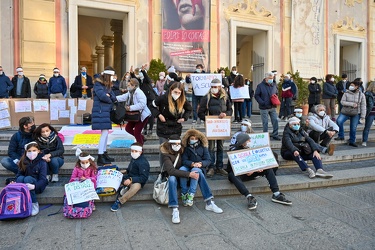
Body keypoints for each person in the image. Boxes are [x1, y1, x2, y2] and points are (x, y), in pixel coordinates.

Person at [160, 136, 222, 224]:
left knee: (198, 173)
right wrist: (189, 174)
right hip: (175, 178)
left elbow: (192, 161)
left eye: (178, 144)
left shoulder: (182, 150)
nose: (177, 145)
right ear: (170, 144)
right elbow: (171, 171)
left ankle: (209, 202)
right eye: (174, 144)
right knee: (172, 179)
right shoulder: (166, 155)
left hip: (185, 177)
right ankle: (175, 209)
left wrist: (197, 165)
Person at [227, 133, 292, 210]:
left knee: (268, 169)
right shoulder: (234, 152)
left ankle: (276, 193)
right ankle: (249, 196)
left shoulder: (253, 149)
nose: (250, 141)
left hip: (252, 172)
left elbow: (259, 160)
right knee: (231, 175)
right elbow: (230, 169)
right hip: (241, 175)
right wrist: (245, 171)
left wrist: (260, 167)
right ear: (243, 142)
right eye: (248, 140)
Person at [180, 129, 223, 213]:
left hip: (199, 167)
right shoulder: (186, 148)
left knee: (196, 171)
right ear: (188, 139)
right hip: (188, 166)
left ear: (199, 139)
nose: (194, 140)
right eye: (192, 138)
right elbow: (184, 160)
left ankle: (191, 195)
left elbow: (208, 160)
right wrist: (192, 163)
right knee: (182, 170)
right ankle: (184, 193)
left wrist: (201, 164)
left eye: (196, 138)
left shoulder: (203, 147)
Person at [198, 78, 232, 177]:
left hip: (222, 127)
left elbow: (230, 110)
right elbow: (200, 112)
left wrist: (225, 114)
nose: (214, 89)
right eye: (212, 87)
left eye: (215, 87)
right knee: (211, 148)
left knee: (221, 147)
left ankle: (220, 167)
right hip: (212, 128)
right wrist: (208, 119)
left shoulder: (225, 97)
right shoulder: (206, 98)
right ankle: (211, 167)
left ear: (220, 87)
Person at [110, 143, 149, 212]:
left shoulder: (143, 163)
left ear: (141, 152)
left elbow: (144, 178)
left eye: (136, 151)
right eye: (132, 151)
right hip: (128, 177)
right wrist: (121, 172)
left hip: (137, 181)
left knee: (136, 187)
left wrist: (131, 180)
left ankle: (120, 201)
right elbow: (129, 170)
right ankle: (123, 188)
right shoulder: (134, 159)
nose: (133, 153)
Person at [92, 66, 118, 165]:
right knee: (104, 134)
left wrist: (109, 96)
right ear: (108, 76)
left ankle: (104, 153)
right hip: (100, 111)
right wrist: (109, 98)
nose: (114, 77)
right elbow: (103, 97)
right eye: (112, 76)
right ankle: (100, 156)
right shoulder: (98, 84)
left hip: (105, 111)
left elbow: (113, 96)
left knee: (106, 133)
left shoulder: (107, 86)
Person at [15, 142, 48, 216]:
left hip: (37, 186)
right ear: (26, 152)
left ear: (38, 151)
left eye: (34, 150)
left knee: (28, 179)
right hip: (26, 184)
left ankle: (34, 203)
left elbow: (43, 179)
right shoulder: (23, 161)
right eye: (29, 151)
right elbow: (19, 174)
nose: (31, 153)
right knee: (20, 178)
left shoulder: (42, 162)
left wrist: (34, 186)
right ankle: (20, 202)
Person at [116, 78, 151, 145]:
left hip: (142, 115)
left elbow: (142, 104)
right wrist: (113, 98)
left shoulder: (139, 93)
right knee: (128, 128)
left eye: (129, 85)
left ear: (134, 86)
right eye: (127, 85)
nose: (127, 87)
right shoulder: (130, 92)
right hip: (134, 115)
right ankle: (142, 138)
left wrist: (130, 108)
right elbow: (123, 97)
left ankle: (139, 147)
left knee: (137, 132)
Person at [335, 81, 366, 147]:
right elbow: (342, 102)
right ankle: (341, 135)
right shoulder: (346, 93)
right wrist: (352, 104)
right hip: (346, 111)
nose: (350, 86)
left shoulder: (361, 94)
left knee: (353, 127)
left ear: (356, 86)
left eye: (352, 85)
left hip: (356, 113)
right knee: (339, 121)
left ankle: (352, 140)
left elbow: (363, 106)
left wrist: (363, 116)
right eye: (350, 85)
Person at [254, 72, 281, 140]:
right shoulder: (260, 86)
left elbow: (276, 93)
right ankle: (265, 135)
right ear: (266, 78)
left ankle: (275, 134)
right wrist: (262, 102)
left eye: (272, 78)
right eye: (270, 78)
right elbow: (256, 95)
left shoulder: (274, 85)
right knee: (265, 122)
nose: (271, 79)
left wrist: (275, 99)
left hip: (272, 106)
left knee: (275, 120)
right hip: (264, 107)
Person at [362, 81, 375, 146]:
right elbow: (364, 104)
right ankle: (364, 141)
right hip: (371, 113)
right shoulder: (367, 94)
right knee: (367, 127)